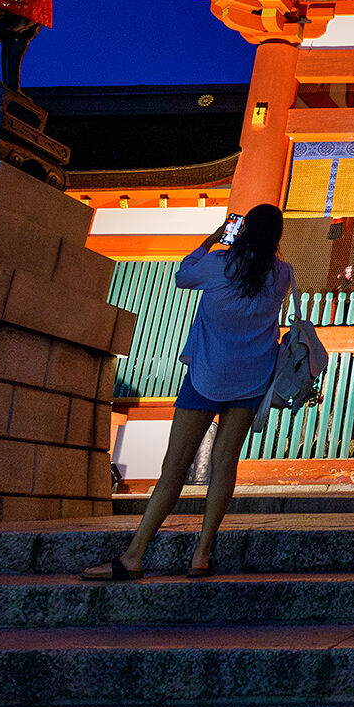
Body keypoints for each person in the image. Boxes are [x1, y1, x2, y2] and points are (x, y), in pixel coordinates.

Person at [83, 205, 293, 581]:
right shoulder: (282, 274)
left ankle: (135, 554)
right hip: (252, 378)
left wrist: (212, 240)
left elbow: (183, 275)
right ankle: (202, 553)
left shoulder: (219, 264)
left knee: (174, 467)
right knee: (224, 465)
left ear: (244, 230)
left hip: (206, 375)